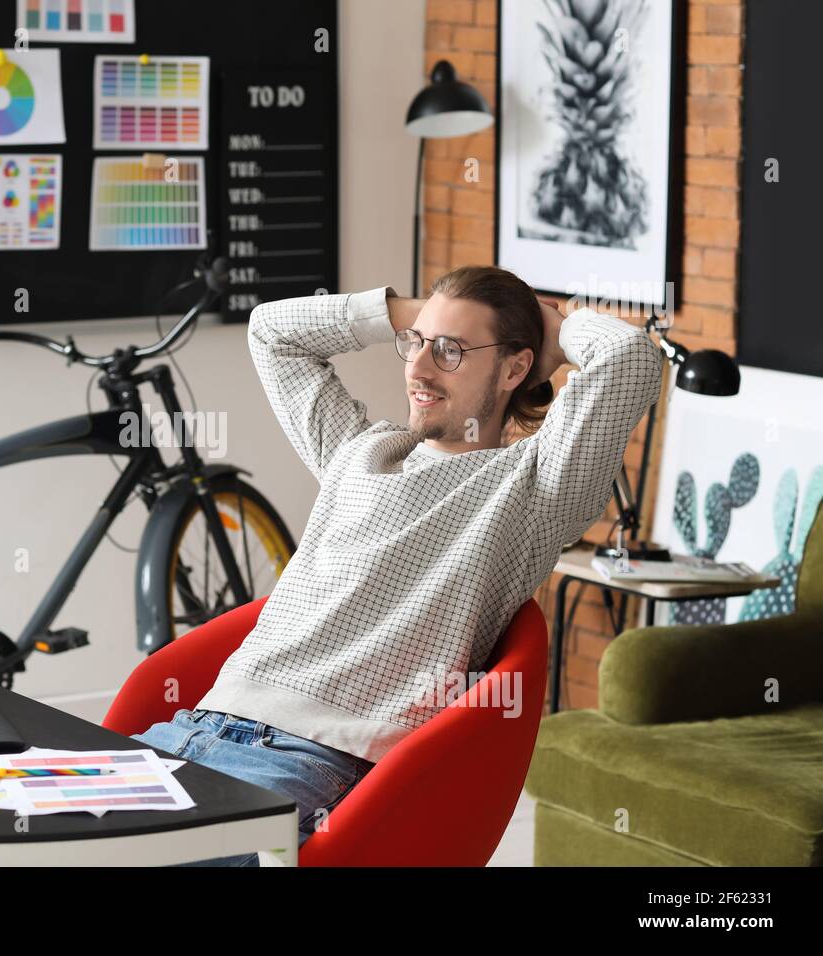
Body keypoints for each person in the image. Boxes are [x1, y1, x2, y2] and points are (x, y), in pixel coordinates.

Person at [132, 265, 664, 865]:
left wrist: (557, 329)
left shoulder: (534, 488)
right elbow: (271, 331)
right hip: (187, 729)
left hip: (304, 763)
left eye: (450, 351)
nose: (418, 367)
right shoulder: (359, 450)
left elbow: (629, 360)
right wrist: (413, 313)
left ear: (515, 368)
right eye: (415, 345)